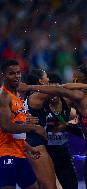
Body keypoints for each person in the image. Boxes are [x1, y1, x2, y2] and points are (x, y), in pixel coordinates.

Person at [19, 64, 87, 189]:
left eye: (73, 79)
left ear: (77, 81)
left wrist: (29, 87)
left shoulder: (81, 95)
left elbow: (61, 88)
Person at [0, 60, 46, 189]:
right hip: (4, 154)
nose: (17, 76)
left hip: (19, 152)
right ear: (3, 75)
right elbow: (6, 127)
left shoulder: (17, 96)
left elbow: (16, 130)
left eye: (18, 73)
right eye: (12, 73)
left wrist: (29, 148)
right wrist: (34, 127)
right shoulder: (3, 97)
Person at [24, 69, 58, 189]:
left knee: (47, 185)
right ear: (40, 81)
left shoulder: (32, 96)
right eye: (46, 77)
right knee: (49, 186)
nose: (49, 80)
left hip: (35, 142)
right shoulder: (36, 95)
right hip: (35, 144)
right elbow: (58, 90)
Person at [44, 73, 78, 189]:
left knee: (72, 184)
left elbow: (81, 115)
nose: (53, 95)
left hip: (63, 151)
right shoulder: (40, 104)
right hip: (47, 152)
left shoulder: (67, 102)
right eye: (50, 91)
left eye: (56, 90)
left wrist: (66, 124)